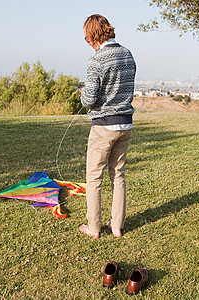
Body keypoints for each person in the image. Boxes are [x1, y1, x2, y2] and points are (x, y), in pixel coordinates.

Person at [78, 14, 136, 239]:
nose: (88, 43)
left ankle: (93, 228)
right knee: (118, 175)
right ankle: (117, 226)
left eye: (86, 38)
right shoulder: (128, 54)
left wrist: (83, 96)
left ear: (93, 35)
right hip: (125, 125)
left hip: (103, 127)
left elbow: (90, 98)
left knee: (94, 177)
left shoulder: (96, 59)